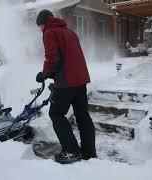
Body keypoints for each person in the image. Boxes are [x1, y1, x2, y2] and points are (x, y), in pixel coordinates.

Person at [35, 10, 96, 164]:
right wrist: (51, 74)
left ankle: (71, 151)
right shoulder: (69, 32)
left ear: (44, 23)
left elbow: (53, 58)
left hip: (66, 82)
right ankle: (89, 153)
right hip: (81, 81)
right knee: (83, 116)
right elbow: (68, 56)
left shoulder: (49, 33)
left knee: (56, 114)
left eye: (40, 26)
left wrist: (44, 73)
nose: (40, 30)